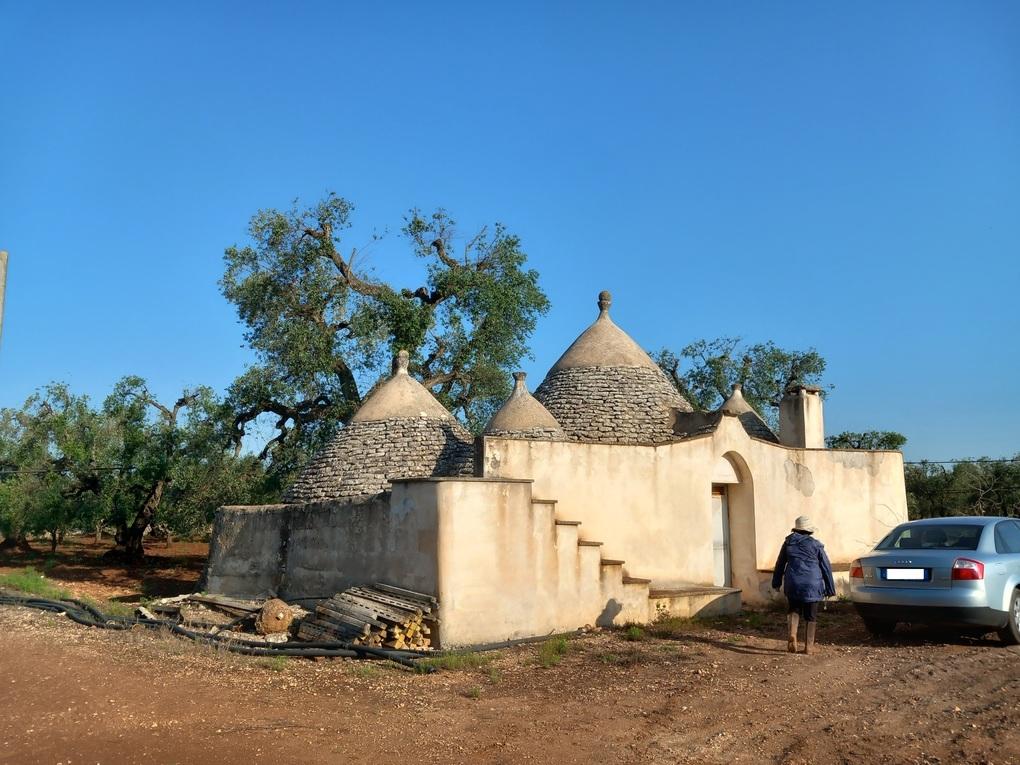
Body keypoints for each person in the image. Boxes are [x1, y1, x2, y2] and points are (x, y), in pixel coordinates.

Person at [771, 516, 836, 655]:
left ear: (797, 528)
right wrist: (830, 588)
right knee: (811, 616)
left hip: (793, 582)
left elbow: (780, 563)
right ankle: (808, 647)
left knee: (794, 609)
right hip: (812, 583)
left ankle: (792, 634)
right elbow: (826, 567)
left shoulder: (788, 543)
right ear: (809, 531)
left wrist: (776, 582)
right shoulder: (816, 545)